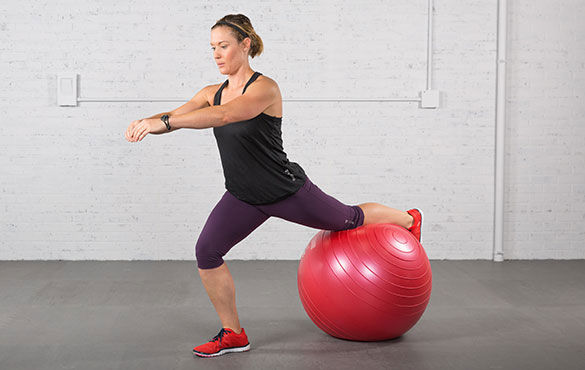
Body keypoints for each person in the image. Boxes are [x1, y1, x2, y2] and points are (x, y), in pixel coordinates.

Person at [124, 14, 423, 358]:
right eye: (212, 48)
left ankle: (409, 219)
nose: (217, 54)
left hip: (285, 190)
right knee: (206, 252)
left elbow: (224, 116)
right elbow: (177, 118)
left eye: (224, 46)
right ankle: (234, 333)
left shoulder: (265, 88)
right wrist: (149, 123)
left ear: (245, 44)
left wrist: (164, 121)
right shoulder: (210, 93)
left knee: (350, 218)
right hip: (243, 197)